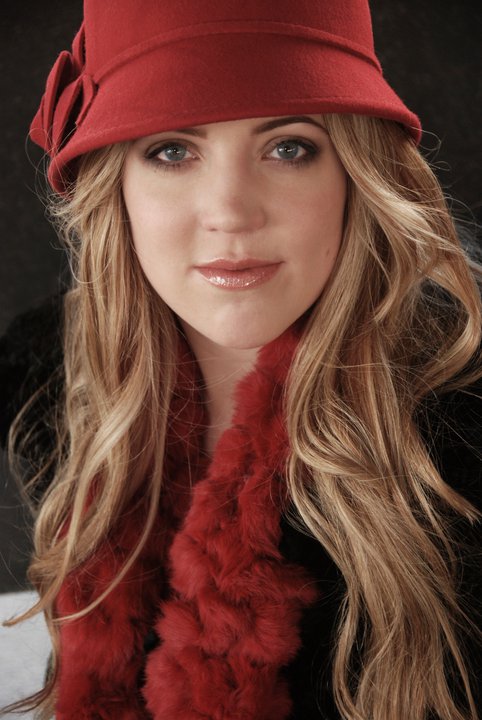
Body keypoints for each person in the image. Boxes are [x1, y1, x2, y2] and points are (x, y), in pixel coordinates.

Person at [1, 1, 481, 718]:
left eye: (288, 148)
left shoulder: (462, 413)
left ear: (356, 172)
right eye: (172, 151)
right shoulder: (51, 376)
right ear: (114, 185)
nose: (230, 212)